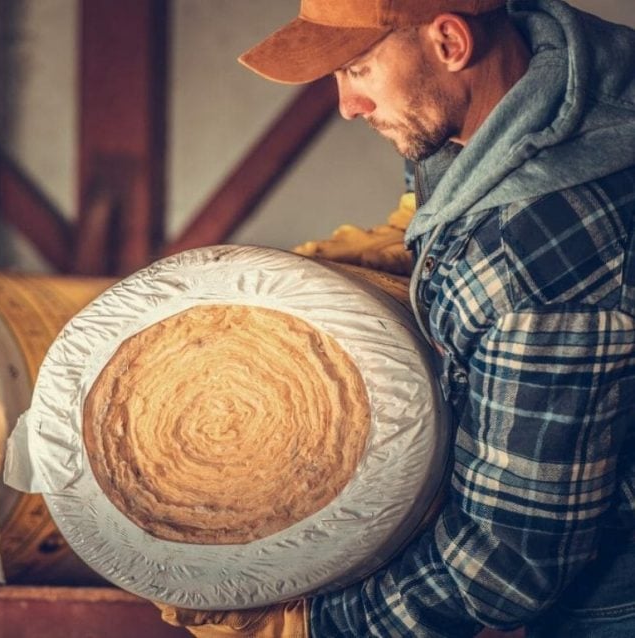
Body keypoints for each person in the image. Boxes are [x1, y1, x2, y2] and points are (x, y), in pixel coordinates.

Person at [157, 0, 635, 636]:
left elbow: (504, 563)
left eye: (357, 69)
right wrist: (415, 234)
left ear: (449, 42)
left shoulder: (535, 262)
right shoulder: (565, 76)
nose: (347, 107)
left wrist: (310, 625)